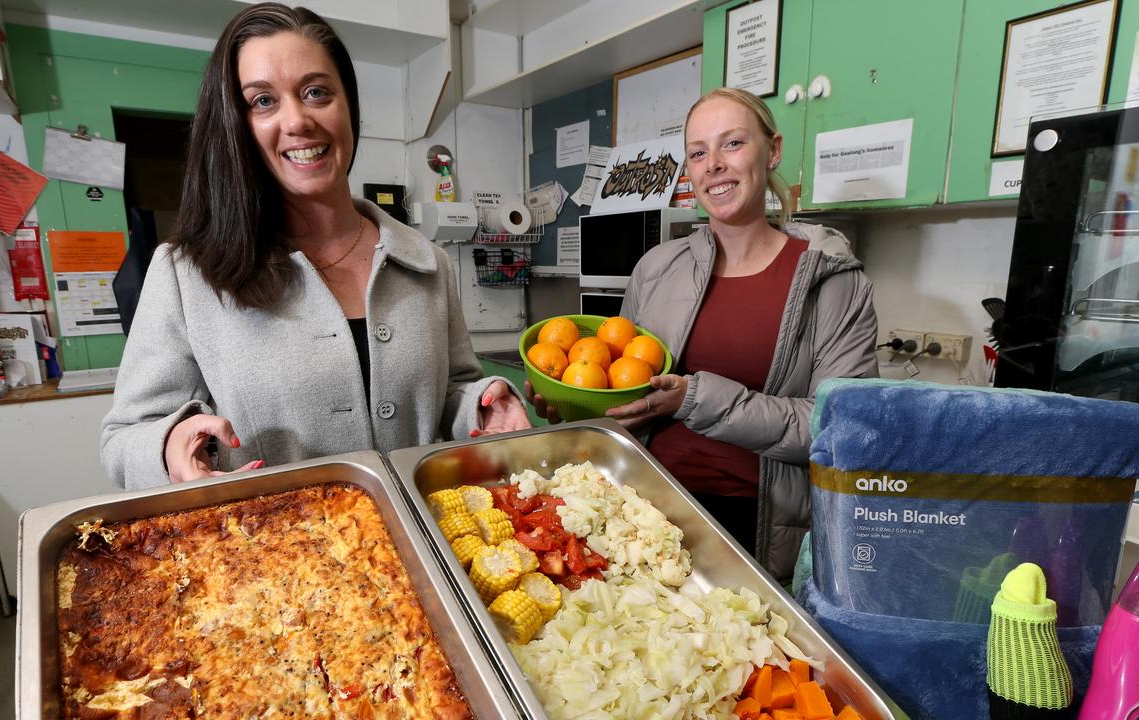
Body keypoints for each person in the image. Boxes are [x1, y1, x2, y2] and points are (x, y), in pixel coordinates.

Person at [101, 3, 529, 490]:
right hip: (284, 557)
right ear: (235, 125)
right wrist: (170, 445)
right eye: (263, 101)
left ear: (349, 106)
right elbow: (123, 438)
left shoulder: (425, 261)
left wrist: (485, 401)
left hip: (423, 538)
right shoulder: (187, 275)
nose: (298, 119)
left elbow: (450, 391)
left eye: (316, 92)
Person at [533, 88, 878, 583]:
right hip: (642, 512)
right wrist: (572, 404)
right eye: (698, 152)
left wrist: (694, 398)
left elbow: (840, 431)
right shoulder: (656, 268)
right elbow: (622, 388)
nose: (713, 164)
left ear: (773, 150)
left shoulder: (834, 282)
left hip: (758, 527)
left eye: (732, 143)